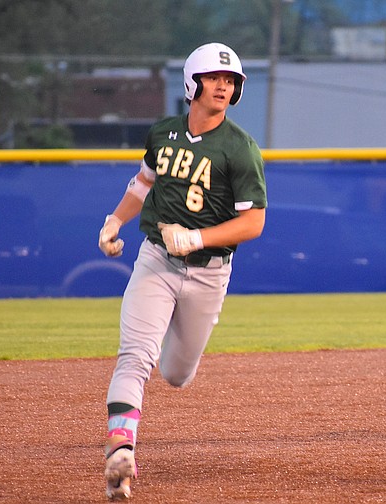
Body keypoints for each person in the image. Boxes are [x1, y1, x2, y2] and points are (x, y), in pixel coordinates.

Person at [96, 42, 267, 500]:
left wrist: (197, 237)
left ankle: (167, 367)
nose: (223, 86)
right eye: (215, 77)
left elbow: (254, 221)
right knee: (135, 355)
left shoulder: (240, 149)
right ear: (192, 82)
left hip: (209, 273)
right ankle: (120, 450)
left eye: (230, 81)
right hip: (155, 259)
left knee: (176, 372)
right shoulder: (164, 133)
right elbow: (143, 183)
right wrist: (116, 219)